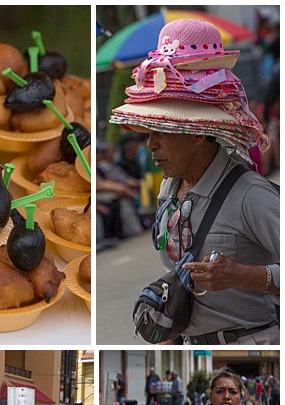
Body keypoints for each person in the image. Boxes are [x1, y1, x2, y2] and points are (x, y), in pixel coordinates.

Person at [111, 18, 279, 345]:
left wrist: (245, 275)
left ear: (198, 133)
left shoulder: (251, 195)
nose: (150, 145)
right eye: (148, 131)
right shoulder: (169, 187)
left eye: (163, 131)